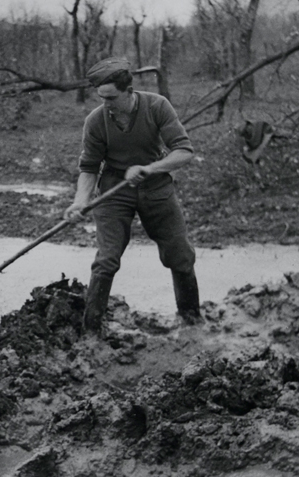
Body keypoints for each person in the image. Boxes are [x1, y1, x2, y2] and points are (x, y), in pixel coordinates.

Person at [64, 57, 202, 332]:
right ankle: (91, 330)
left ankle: (191, 321)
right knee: (106, 259)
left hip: (156, 186)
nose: (106, 105)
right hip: (115, 189)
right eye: (102, 98)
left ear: (129, 91)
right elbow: (89, 168)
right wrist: (81, 201)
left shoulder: (157, 106)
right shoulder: (95, 121)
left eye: (112, 98)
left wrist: (150, 168)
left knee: (180, 255)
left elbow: (184, 151)